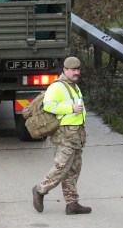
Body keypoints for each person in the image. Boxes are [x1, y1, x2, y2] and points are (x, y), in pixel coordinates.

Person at [32, 56, 91, 215]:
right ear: (65, 70)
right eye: (73, 70)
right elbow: (49, 106)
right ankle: (39, 190)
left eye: (78, 70)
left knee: (74, 169)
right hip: (64, 135)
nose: (76, 72)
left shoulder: (74, 86)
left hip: (76, 134)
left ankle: (72, 204)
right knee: (61, 168)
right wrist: (70, 108)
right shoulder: (57, 87)